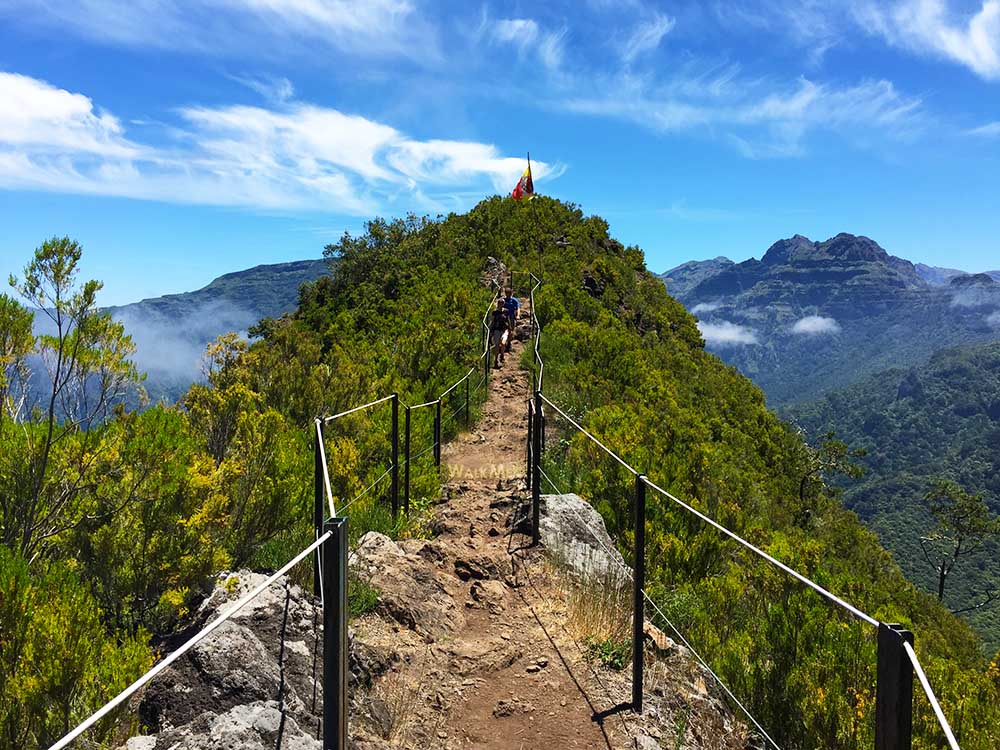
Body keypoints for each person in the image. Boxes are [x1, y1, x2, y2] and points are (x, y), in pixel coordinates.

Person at [489, 298, 509, 368]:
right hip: (497, 330)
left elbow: (507, 320)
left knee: (503, 343)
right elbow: (493, 321)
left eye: (502, 303)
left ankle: (502, 355)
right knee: (497, 345)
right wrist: (491, 331)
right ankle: (496, 360)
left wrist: (510, 329)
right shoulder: (495, 312)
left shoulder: (506, 311)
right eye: (499, 303)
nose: (501, 304)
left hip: (504, 329)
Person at [502, 288, 520, 353]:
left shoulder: (514, 300)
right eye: (507, 293)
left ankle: (508, 343)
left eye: (509, 293)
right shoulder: (503, 300)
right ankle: (503, 342)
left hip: (511, 317)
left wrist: (518, 315)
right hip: (504, 317)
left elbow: (518, 308)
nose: (508, 295)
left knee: (511, 331)